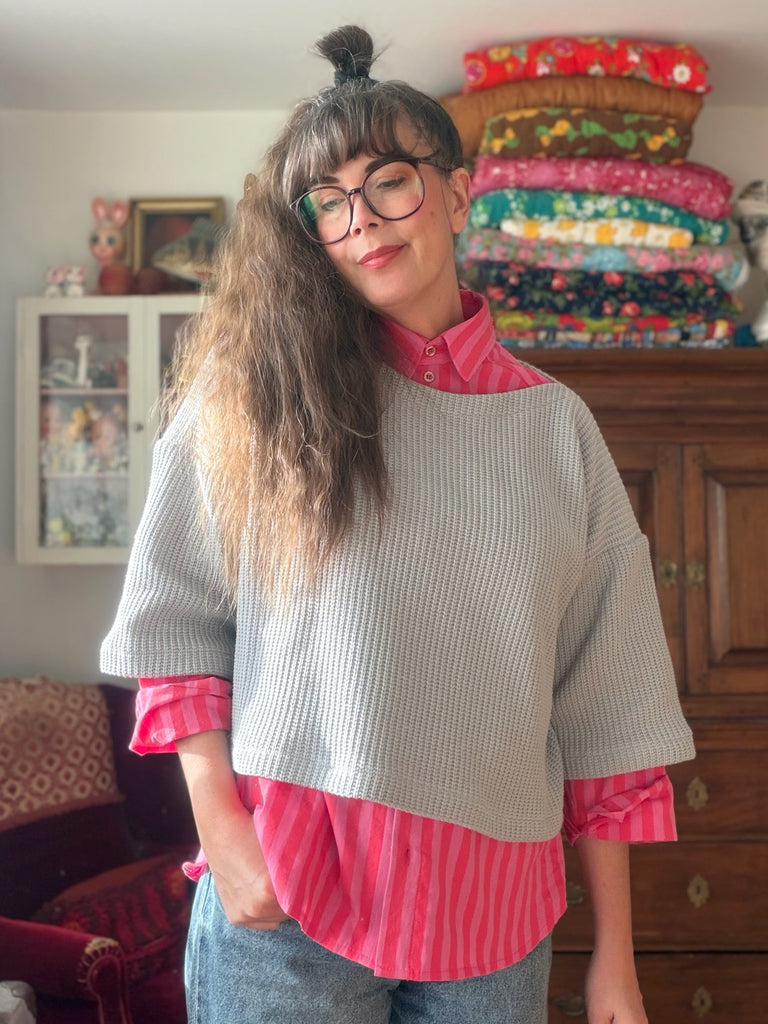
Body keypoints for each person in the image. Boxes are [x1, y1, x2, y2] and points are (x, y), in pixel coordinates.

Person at [101, 25, 695, 1024]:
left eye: (388, 183)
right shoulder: (256, 401)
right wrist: (224, 831)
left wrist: (616, 962)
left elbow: (609, 708)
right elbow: (174, 627)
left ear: (459, 194)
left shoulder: (556, 429)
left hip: (496, 924)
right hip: (288, 907)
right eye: (328, 202)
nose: (362, 221)